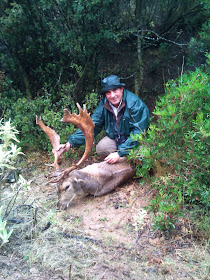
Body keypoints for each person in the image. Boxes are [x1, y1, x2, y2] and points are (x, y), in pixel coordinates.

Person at [55, 75, 149, 164]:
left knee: (142, 156)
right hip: (117, 139)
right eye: (108, 92)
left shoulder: (134, 104)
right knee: (101, 148)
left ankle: (125, 157)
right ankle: (123, 158)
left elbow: (138, 132)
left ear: (121, 89)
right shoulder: (105, 104)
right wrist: (70, 143)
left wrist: (119, 153)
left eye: (115, 90)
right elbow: (92, 125)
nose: (112, 95)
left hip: (135, 140)